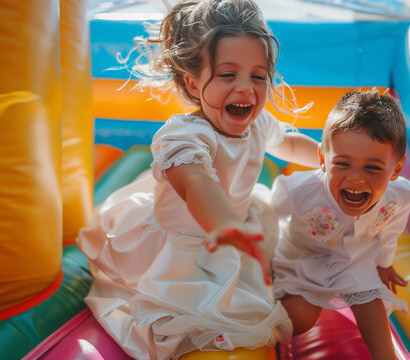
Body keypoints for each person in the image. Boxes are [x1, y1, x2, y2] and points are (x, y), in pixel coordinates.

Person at [77, 1, 319, 359]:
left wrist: (328, 157)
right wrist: (225, 225)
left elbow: (288, 142)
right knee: (201, 317)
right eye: (227, 75)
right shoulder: (185, 136)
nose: (246, 89)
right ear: (193, 82)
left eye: (257, 75)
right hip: (189, 242)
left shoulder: (258, 123)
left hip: (237, 226)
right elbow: (195, 184)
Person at [270, 89, 410, 360]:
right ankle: (258, 324)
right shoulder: (300, 191)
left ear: (395, 169)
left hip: (353, 259)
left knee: (372, 301)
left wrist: (384, 262)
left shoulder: (401, 194)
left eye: (372, 168)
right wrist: (262, 261)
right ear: (323, 159)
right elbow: (268, 217)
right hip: (304, 259)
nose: (356, 178)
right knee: (301, 319)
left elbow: (391, 230)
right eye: (343, 164)